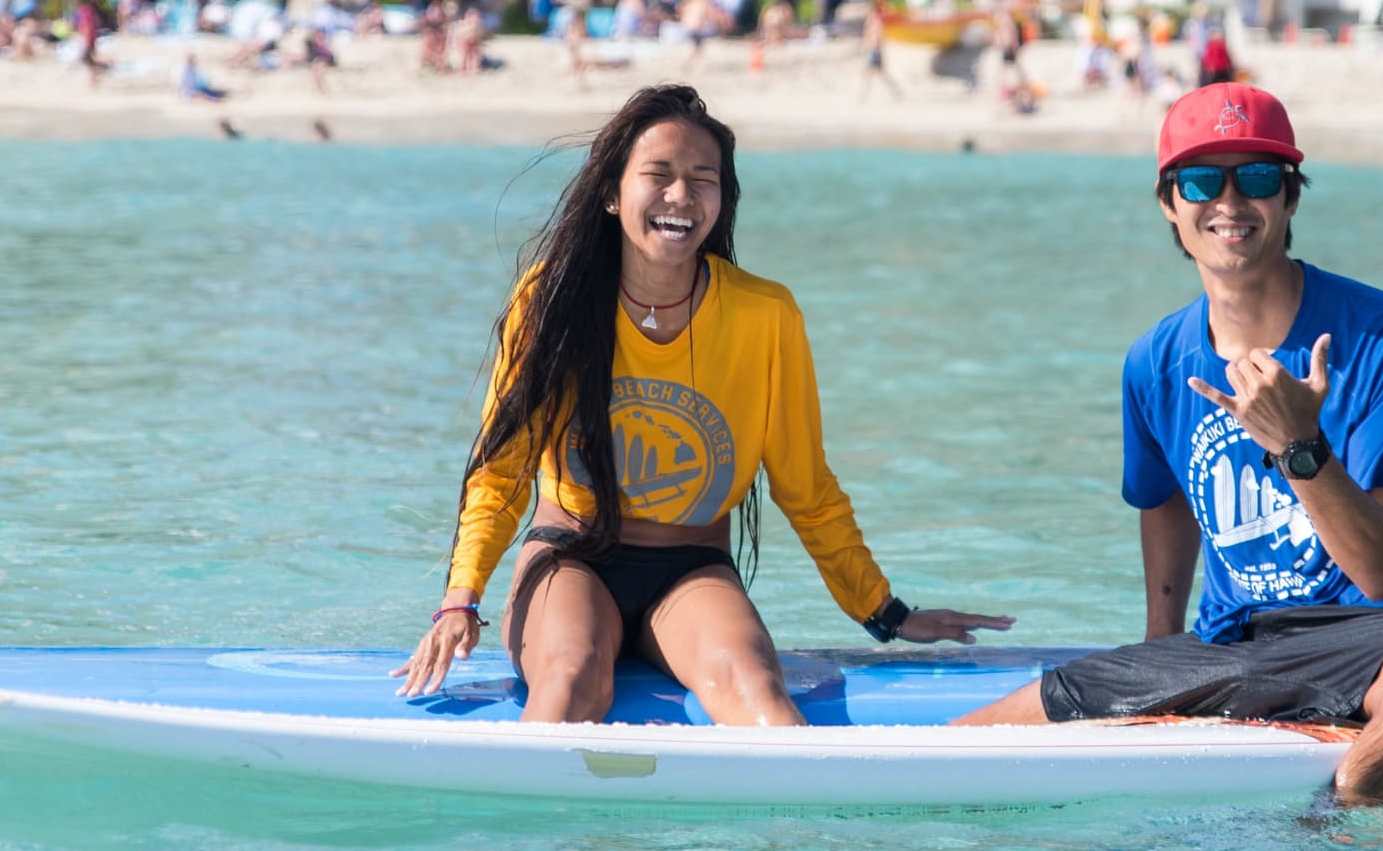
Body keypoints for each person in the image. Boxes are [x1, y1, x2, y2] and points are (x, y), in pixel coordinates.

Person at [394, 85, 1012, 721]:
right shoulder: (552, 301)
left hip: (691, 568)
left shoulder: (764, 315)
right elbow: (502, 469)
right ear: (611, 193)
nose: (681, 196)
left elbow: (806, 487)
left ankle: (811, 821)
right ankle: (533, 819)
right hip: (569, 557)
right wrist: (459, 601)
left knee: (758, 694)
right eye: (658, 174)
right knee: (572, 680)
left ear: (723, 200)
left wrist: (885, 612)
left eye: (702, 179)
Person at [956, 83, 1383, 805]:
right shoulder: (1154, 361)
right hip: (1232, 647)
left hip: (1370, 642)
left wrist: (1300, 444)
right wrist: (1159, 653)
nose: (1229, 202)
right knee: (975, 734)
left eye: (1257, 178)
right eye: (1202, 180)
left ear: (1290, 198)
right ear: (1170, 202)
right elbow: (1163, 501)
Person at [859, 0, 900, 98]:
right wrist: (866, 43)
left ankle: (864, 93)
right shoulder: (873, 12)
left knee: (870, 71)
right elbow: (868, 30)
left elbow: (879, 31)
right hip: (873, 46)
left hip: (876, 47)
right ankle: (895, 90)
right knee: (879, 72)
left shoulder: (883, 12)